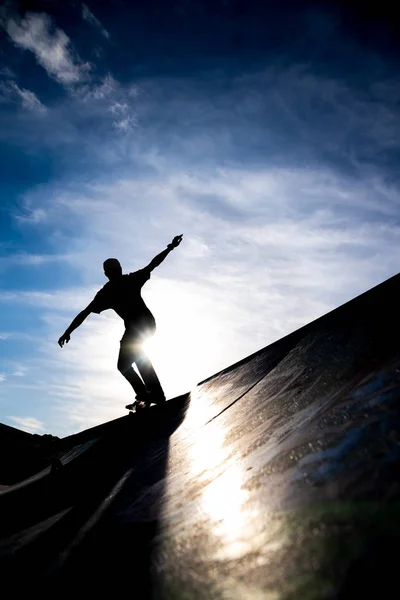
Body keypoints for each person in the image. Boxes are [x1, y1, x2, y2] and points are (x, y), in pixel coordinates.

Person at [58, 234, 183, 407]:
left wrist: (68, 331)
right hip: (144, 325)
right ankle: (152, 395)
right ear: (117, 270)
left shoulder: (108, 291)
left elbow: (84, 313)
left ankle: (149, 394)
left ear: (106, 273)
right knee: (135, 358)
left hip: (139, 327)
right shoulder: (127, 281)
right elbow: (153, 264)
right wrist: (170, 247)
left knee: (127, 363)